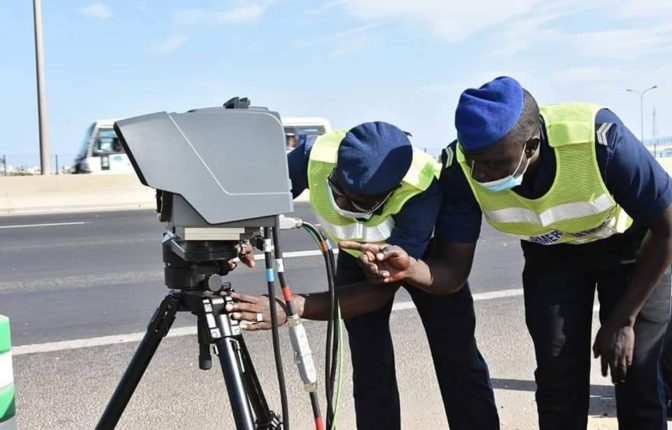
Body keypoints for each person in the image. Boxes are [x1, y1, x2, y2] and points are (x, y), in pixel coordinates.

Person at [340, 76, 672, 430]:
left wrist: (623, 320)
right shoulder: (460, 169)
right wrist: (410, 269)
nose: (481, 173)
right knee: (557, 376)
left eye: (495, 163)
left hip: (632, 251)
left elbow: (667, 228)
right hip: (552, 259)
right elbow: (453, 273)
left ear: (531, 145)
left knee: (636, 373)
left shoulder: (599, 139)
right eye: (474, 160)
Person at [233, 121, 500, 429]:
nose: (343, 207)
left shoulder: (421, 187)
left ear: (393, 191)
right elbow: (259, 202)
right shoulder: (312, 155)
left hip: (425, 257)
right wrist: (241, 234)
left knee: (457, 359)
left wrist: (291, 308)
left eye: (359, 203)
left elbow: (378, 292)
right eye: (338, 190)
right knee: (370, 364)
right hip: (355, 255)